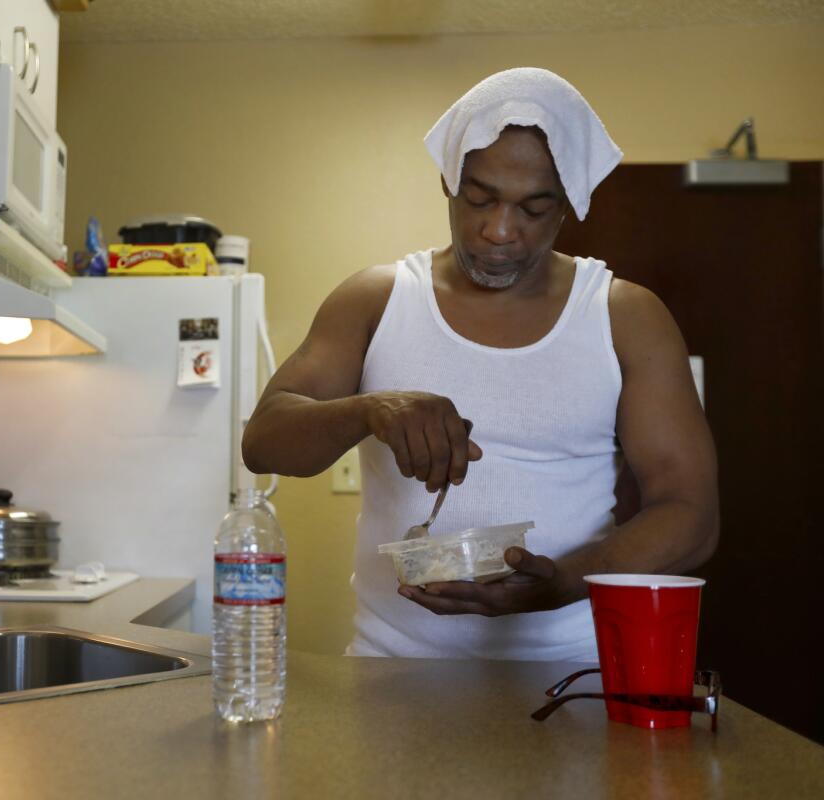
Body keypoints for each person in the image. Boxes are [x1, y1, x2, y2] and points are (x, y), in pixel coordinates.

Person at [241, 68, 719, 661]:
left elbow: (691, 513)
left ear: (569, 203)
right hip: (394, 674)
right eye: (480, 198)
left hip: (568, 677)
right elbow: (263, 442)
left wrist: (561, 582)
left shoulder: (624, 316)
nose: (499, 231)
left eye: (533, 208)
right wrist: (370, 410)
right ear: (448, 181)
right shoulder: (376, 299)